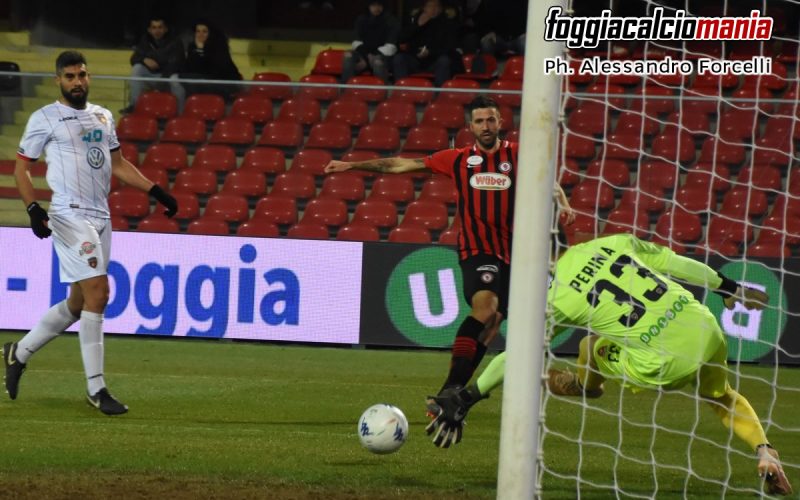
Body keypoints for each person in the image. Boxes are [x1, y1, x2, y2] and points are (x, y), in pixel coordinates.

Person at [426, 233, 793, 496]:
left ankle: (587, 386)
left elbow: (517, 353)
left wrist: (469, 395)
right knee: (722, 396)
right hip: (704, 328)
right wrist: (726, 286)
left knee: (591, 345)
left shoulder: (558, 297)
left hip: (661, 361)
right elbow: (674, 263)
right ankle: (765, 452)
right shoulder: (613, 242)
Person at [324, 95, 575, 417]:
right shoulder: (457, 159)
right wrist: (353, 165)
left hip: (516, 254)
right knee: (486, 309)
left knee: (494, 323)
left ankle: (450, 395)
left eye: (491, 120)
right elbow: (400, 164)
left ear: (500, 123)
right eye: (480, 121)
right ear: (470, 127)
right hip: (477, 248)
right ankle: (450, 390)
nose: (486, 126)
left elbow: (548, 182)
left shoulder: (518, 155)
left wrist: (564, 203)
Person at [8, 50, 179, 415]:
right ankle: (96, 388)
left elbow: (117, 164)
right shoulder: (45, 119)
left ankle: (18, 352)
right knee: (99, 293)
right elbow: (21, 170)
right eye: (69, 76)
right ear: (58, 80)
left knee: (77, 302)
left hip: (101, 215)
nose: (77, 82)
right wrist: (33, 208)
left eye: (82, 75)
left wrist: (156, 191)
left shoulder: (102, 115)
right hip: (69, 214)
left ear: (88, 76)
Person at [172, 20, 243, 112]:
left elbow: (213, 70)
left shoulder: (219, 47)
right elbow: (189, 68)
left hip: (223, 83)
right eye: (198, 31)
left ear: (211, 33)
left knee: (189, 80)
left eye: (204, 31)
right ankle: (182, 112)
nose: (200, 34)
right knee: (175, 78)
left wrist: (201, 50)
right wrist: (198, 50)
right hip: (203, 81)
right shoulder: (193, 47)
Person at [121, 16, 185, 114]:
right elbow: (134, 58)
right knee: (137, 68)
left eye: (160, 27)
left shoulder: (175, 42)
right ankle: (134, 106)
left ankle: (180, 114)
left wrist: (160, 84)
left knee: (174, 79)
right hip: (153, 76)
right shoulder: (145, 40)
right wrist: (144, 59)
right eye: (154, 28)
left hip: (168, 77)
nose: (157, 31)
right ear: (149, 30)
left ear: (165, 29)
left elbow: (175, 65)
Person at [392, 0, 462, 86]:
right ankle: (402, 91)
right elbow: (401, 39)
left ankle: (440, 94)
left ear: (440, 9)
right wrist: (417, 26)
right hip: (415, 60)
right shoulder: (416, 20)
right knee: (399, 58)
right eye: (430, 6)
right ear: (424, 8)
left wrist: (430, 52)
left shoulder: (447, 24)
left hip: (434, 61)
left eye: (436, 6)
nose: (433, 9)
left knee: (444, 60)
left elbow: (449, 47)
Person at [341, 0, 400, 83]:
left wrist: (369, 59)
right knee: (348, 55)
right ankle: (345, 89)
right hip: (364, 54)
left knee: (377, 62)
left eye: (379, 5)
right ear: (369, 6)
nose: (376, 8)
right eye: (373, 5)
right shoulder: (361, 19)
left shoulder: (391, 20)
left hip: (382, 55)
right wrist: (366, 58)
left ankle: (381, 92)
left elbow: (391, 46)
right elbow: (356, 42)